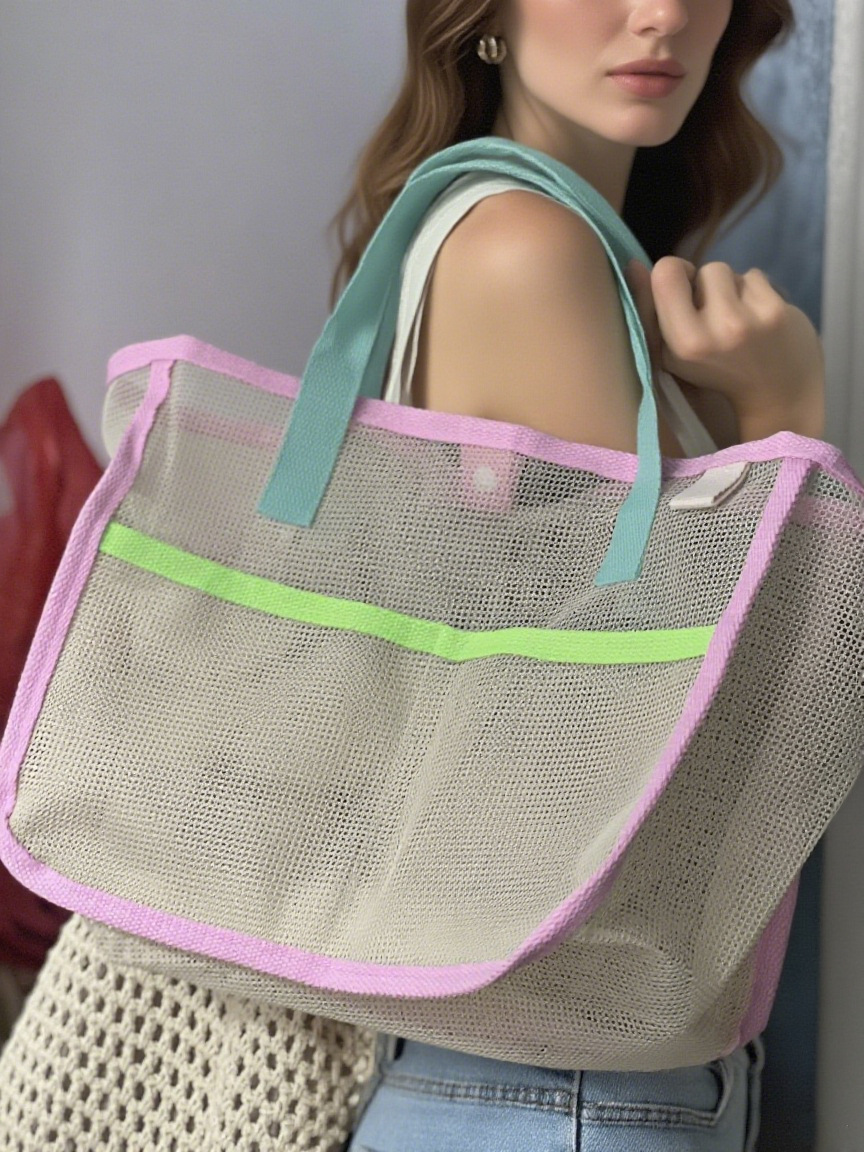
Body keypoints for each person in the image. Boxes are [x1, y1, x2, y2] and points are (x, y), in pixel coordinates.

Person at [320, 1, 825, 1150]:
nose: (663, 14)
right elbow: (685, 754)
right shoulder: (526, 250)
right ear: (485, 15)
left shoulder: (498, 233)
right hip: (567, 1091)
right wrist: (786, 411)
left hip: (530, 1074)